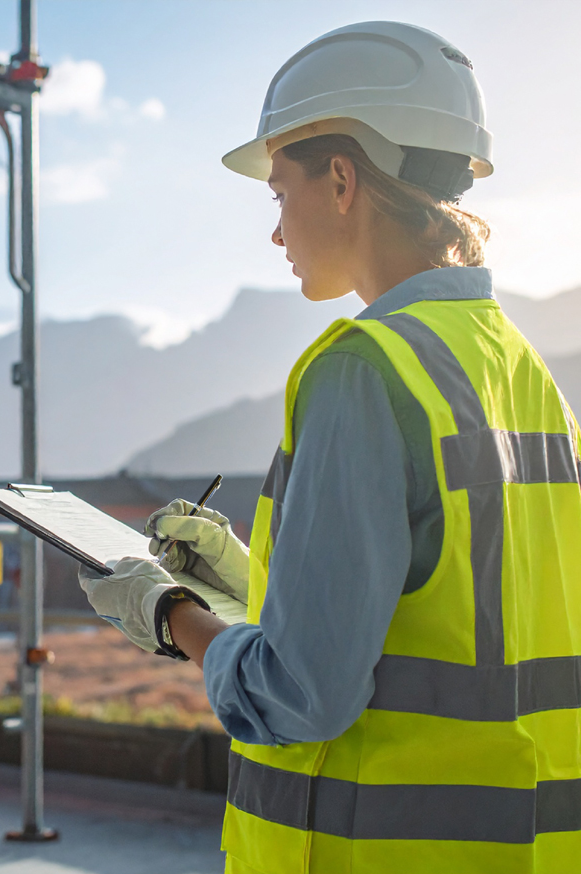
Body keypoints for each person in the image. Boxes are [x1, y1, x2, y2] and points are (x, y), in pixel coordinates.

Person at [79, 21, 581, 873]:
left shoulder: (364, 369)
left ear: (342, 179)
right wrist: (247, 577)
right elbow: (455, 609)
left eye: (279, 193)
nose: (276, 231)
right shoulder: (521, 367)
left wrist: (169, 614)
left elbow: (302, 693)